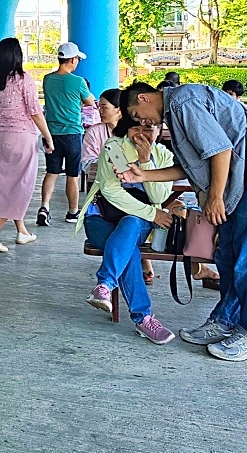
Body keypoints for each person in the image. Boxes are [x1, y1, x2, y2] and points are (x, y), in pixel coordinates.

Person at [119, 81, 247, 363]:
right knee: (227, 254)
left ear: (144, 97)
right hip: (239, 178)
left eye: (138, 115)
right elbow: (188, 166)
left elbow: (220, 150)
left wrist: (214, 197)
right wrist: (143, 176)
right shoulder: (175, 115)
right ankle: (226, 321)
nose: (143, 122)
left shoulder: (183, 101)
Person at [76, 117, 180, 345]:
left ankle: (104, 285)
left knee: (131, 224)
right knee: (128, 250)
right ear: (126, 128)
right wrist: (153, 215)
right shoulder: (114, 148)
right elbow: (112, 192)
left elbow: (159, 197)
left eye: (149, 128)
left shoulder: (164, 156)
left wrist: (145, 161)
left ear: (159, 130)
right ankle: (143, 319)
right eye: (136, 127)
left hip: (136, 222)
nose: (142, 134)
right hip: (101, 219)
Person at [0, 37, 54, 252]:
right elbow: (34, 111)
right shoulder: (23, 79)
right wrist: (48, 136)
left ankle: (22, 231)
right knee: (22, 184)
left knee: (7, 184)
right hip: (22, 136)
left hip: (1, 137)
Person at [80, 88, 154, 284]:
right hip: (107, 198)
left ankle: (105, 283)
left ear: (120, 110)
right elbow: (86, 165)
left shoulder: (141, 137)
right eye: (99, 106)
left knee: (130, 229)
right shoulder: (96, 132)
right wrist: (108, 164)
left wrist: (142, 164)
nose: (100, 111)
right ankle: (140, 309)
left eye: (104, 107)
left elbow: (158, 189)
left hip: (136, 198)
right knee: (127, 237)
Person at [40, 42, 96, 226]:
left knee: (52, 172)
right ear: (72, 59)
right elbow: (90, 102)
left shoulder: (47, 79)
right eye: (78, 59)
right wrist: (77, 103)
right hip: (72, 133)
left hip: (51, 133)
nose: (78, 62)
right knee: (73, 175)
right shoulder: (78, 81)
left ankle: (44, 207)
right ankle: (72, 212)